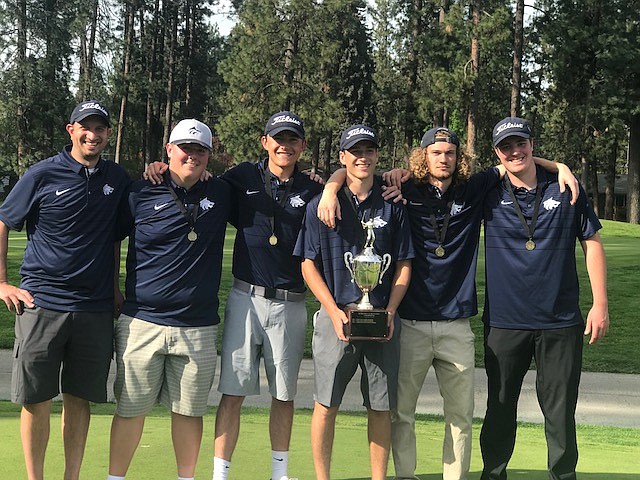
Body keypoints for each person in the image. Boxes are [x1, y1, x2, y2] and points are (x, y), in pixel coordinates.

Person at [317, 127, 578, 480]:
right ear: (423, 156)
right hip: (409, 322)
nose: (444, 159)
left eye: (450, 153)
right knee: (402, 413)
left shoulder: (475, 187)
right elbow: (353, 168)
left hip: (456, 323)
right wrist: (331, 188)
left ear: (460, 157)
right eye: (436, 152)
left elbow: (516, 162)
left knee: (460, 417)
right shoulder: (401, 187)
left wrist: (559, 166)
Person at [0, 100, 130, 480]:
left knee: (79, 398)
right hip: (42, 304)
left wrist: (114, 286)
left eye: (101, 127)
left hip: (94, 308)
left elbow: (112, 238)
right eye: (85, 126)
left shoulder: (117, 179)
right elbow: (4, 221)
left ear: (109, 133)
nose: (94, 133)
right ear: (70, 130)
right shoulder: (42, 174)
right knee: (36, 399)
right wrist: (2, 282)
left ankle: (71, 477)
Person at [479, 117, 609, 480]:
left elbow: (592, 243)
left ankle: (563, 476)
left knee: (560, 410)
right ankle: (493, 475)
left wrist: (600, 305)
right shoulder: (489, 189)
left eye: (520, 143)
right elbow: (443, 182)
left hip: (560, 321)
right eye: (506, 146)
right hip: (504, 322)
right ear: (497, 153)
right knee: (500, 407)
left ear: (532, 144)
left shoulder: (565, 186)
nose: (515, 151)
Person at [106, 119, 231, 480]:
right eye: (185, 148)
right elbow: (113, 239)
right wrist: (114, 287)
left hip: (198, 325)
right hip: (142, 320)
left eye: (200, 150)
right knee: (130, 409)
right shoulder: (139, 191)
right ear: (169, 150)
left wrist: (327, 183)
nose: (192, 155)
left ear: (209, 156)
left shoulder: (221, 193)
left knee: (190, 412)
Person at [294, 124, 414, 480]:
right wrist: (331, 311)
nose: (363, 158)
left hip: (383, 320)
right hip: (336, 319)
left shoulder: (393, 204)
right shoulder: (322, 204)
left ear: (377, 155)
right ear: (342, 157)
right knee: (326, 404)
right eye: (355, 151)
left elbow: (404, 264)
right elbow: (307, 263)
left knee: (381, 407)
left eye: (369, 150)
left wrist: (390, 311)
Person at [212, 111, 323, 480]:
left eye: (292, 140)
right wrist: (158, 168)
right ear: (265, 142)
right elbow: (202, 181)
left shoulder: (312, 186)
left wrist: (334, 181)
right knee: (232, 392)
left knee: (284, 395)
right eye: (278, 138)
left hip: (291, 302)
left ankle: (280, 474)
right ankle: (220, 474)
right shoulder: (242, 176)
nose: (284, 145)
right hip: (245, 299)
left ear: (302, 146)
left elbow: (348, 183)